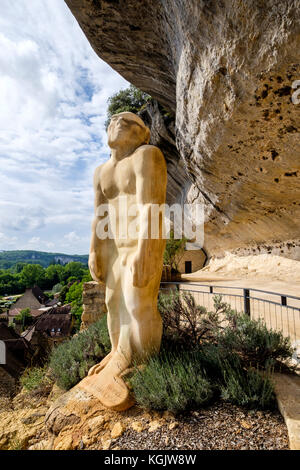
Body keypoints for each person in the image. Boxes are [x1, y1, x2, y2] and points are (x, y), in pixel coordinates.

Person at [78, 111, 167, 410]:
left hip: (141, 244)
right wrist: (93, 251)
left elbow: (151, 207)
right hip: (114, 249)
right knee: (112, 303)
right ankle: (118, 353)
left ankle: (143, 364)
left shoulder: (147, 155)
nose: (118, 122)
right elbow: (99, 217)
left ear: (144, 134)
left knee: (137, 303)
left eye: (129, 122)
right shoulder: (101, 172)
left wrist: (147, 249)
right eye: (114, 120)